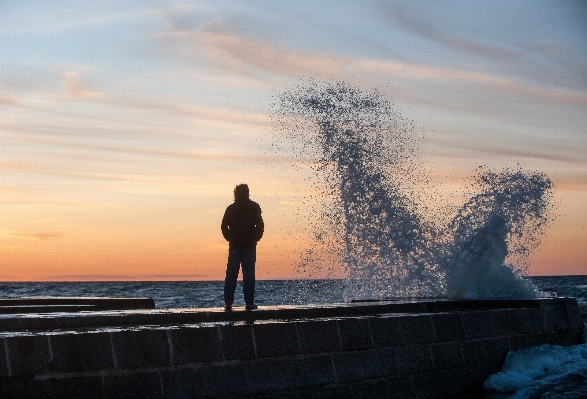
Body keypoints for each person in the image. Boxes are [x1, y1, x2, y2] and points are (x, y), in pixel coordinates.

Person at [221, 184, 264, 311]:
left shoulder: (231, 208)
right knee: (249, 274)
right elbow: (260, 225)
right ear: (247, 193)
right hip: (249, 245)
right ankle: (249, 303)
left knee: (231, 275)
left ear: (235, 193)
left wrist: (230, 239)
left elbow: (224, 226)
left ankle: (228, 303)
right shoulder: (254, 207)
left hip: (235, 245)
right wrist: (255, 239)